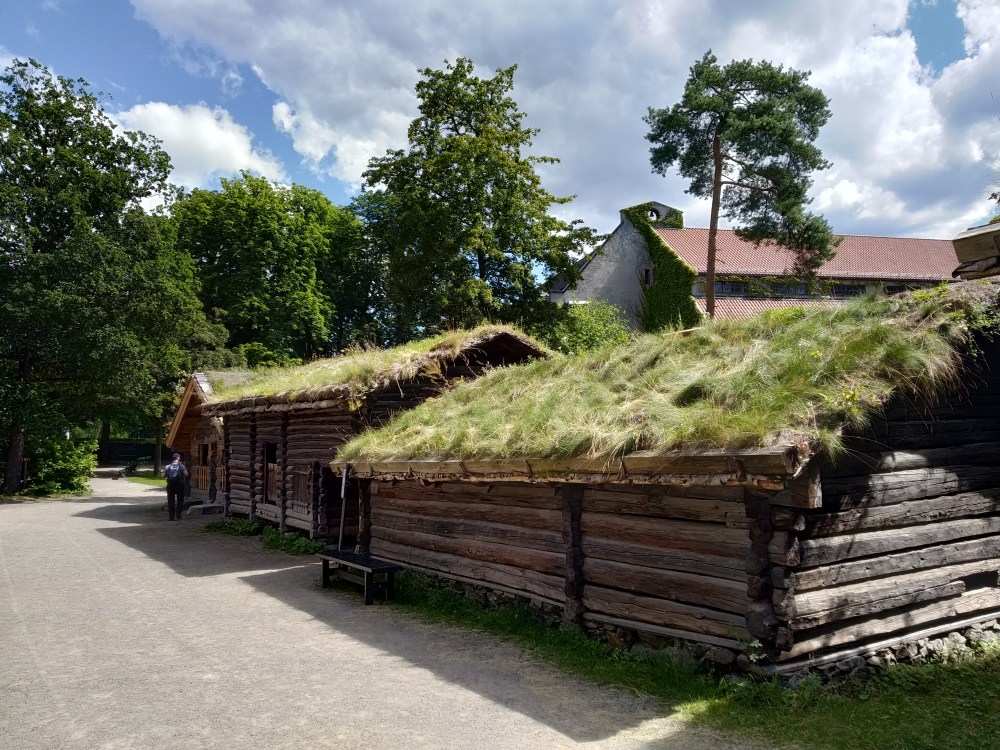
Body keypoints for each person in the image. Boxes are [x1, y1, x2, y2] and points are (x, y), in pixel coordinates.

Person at [163, 453, 189, 521]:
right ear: (178, 458)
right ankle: (178, 515)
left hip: (170, 485)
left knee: (170, 501)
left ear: (173, 458)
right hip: (179, 485)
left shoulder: (167, 466)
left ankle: (171, 517)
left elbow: (162, 475)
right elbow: (186, 474)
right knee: (180, 500)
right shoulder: (181, 466)